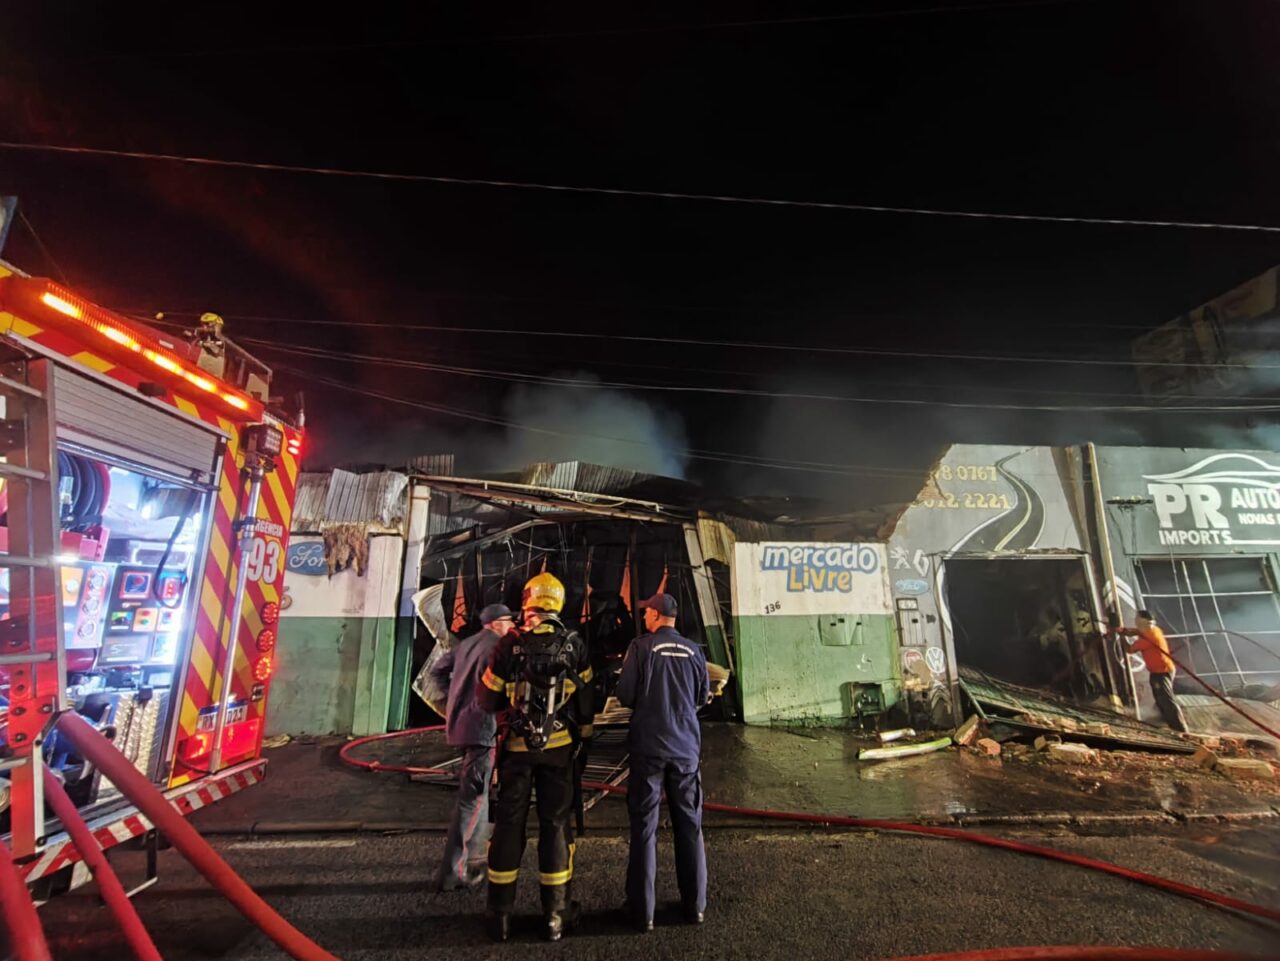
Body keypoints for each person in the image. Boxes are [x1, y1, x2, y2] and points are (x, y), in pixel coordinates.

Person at [477, 572, 594, 942]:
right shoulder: (573, 643)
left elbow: (486, 700)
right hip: (559, 752)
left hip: (515, 751)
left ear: (527, 602)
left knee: (510, 825)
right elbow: (587, 701)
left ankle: (500, 916)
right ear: (558, 602)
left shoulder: (508, 644)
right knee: (556, 824)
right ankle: (555, 915)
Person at [617, 592, 709, 933]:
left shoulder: (640, 648)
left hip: (649, 750)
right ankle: (695, 907)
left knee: (644, 828)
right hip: (685, 750)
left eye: (646, 613)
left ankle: (643, 913)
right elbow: (702, 697)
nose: (643, 618)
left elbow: (624, 695)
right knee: (690, 827)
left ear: (657, 616)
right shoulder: (695, 651)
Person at [427, 603, 516, 892]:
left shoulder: (466, 644)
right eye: (509, 622)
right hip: (482, 729)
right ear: (497, 623)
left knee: (479, 794)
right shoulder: (499, 647)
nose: (512, 626)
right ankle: (453, 872)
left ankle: (475, 854)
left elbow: (438, 671)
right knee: (473, 799)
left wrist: (451, 699)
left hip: (459, 726)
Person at [1118, 610, 1188, 732]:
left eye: (1137, 618)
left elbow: (1129, 649)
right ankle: (1167, 722)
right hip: (1161, 670)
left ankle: (1180, 729)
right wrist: (1128, 631)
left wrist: (1122, 636)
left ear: (1142, 621)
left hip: (1161, 672)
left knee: (1167, 701)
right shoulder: (1154, 629)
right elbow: (1138, 631)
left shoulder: (1149, 638)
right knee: (1160, 698)